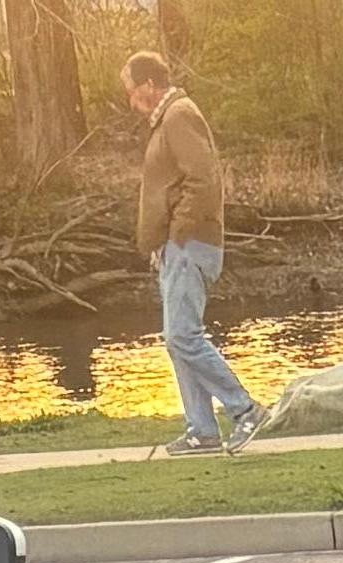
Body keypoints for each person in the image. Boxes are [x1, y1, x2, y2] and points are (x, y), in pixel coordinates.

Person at [124, 48, 258, 452]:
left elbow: (203, 180)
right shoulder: (166, 119)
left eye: (131, 90)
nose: (130, 100)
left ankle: (246, 411)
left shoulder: (180, 114)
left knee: (184, 335)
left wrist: (179, 233)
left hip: (190, 243)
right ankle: (202, 430)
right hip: (174, 247)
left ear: (149, 84)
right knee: (176, 337)